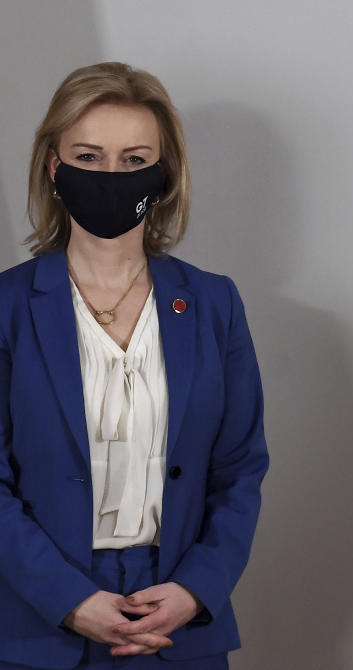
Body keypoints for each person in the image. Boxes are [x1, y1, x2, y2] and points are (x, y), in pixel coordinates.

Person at [0, 62, 268, 669]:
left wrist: (195, 590)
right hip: (41, 627)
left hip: (180, 625)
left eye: (133, 158)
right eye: (89, 157)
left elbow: (239, 468)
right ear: (53, 165)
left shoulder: (213, 302)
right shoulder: (7, 307)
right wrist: (68, 599)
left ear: (164, 170)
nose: (110, 175)